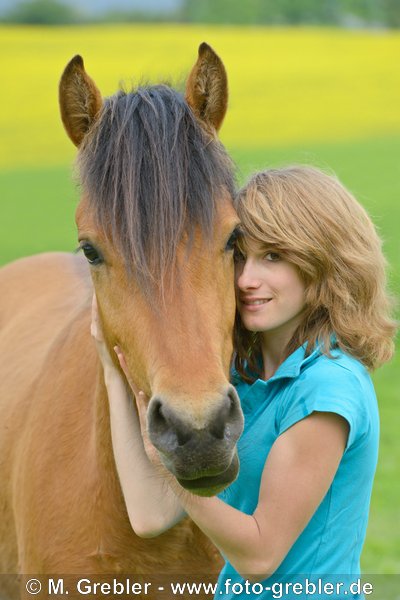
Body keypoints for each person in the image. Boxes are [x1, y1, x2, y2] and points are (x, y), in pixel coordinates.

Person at [92, 165, 396, 599]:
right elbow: (149, 516)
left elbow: (259, 556)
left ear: (325, 261)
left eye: (273, 256)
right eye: (240, 255)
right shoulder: (244, 382)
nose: (246, 280)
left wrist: (164, 464)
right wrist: (110, 365)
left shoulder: (328, 387)